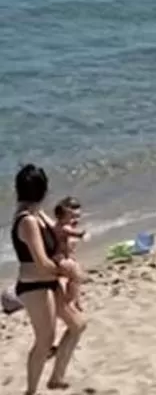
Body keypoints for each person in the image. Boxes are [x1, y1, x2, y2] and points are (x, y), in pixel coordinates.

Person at [15, 165, 84, 395]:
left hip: (49, 282)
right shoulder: (27, 221)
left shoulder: (38, 214)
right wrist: (68, 272)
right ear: (42, 189)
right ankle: (31, 391)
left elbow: (56, 233)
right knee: (44, 341)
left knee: (77, 324)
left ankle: (56, 378)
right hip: (34, 286)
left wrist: (70, 228)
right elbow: (42, 262)